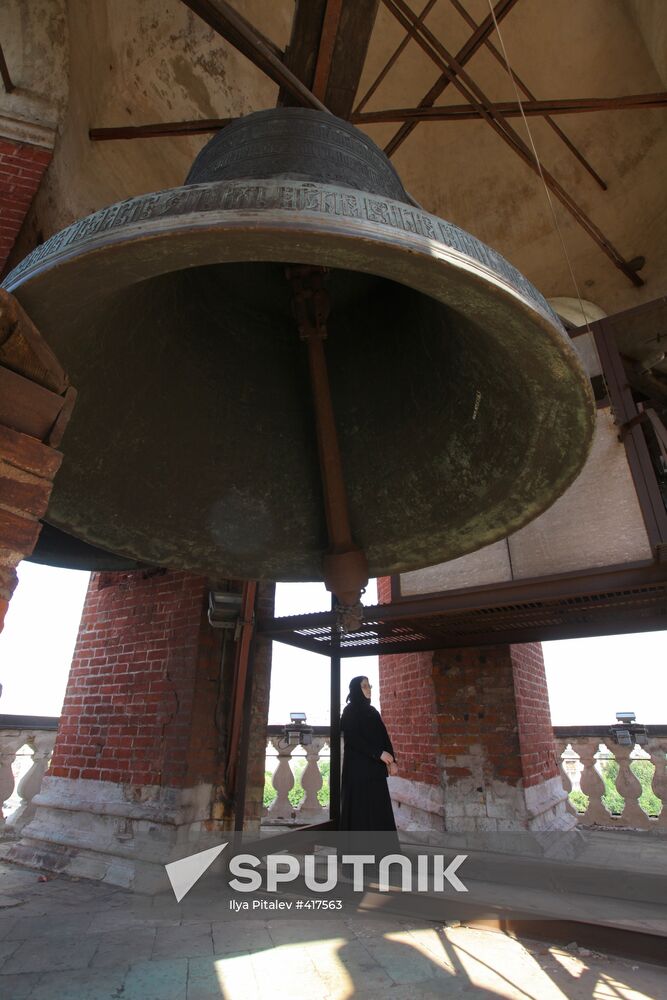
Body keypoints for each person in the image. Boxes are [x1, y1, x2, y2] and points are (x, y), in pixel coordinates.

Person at [340, 675, 398, 832]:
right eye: (364, 686)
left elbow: (384, 737)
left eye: (369, 685)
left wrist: (392, 761)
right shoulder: (349, 711)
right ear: (356, 689)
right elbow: (353, 739)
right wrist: (378, 753)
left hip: (375, 771)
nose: (369, 689)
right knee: (360, 811)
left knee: (378, 810)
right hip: (357, 771)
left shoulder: (373, 711)